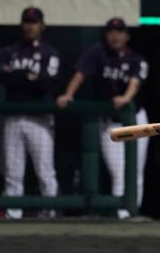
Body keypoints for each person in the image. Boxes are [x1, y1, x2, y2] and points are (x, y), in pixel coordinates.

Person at [57, 18, 149, 219]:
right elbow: (80, 74)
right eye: (111, 31)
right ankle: (121, 213)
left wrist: (125, 98)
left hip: (137, 119)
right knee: (118, 171)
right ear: (106, 34)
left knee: (136, 171)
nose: (115, 35)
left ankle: (131, 212)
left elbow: (135, 82)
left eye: (119, 31)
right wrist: (69, 94)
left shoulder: (136, 59)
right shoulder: (97, 53)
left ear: (127, 35)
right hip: (109, 122)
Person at [0, 7, 60, 219]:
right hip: (14, 117)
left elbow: (47, 83)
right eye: (27, 21)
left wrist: (19, 77)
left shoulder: (50, 52)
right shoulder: (10, 51)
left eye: (34, 22)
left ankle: (50, 212)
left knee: (45, 171)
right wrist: (28, 76)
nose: (30, 25)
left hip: (39, 118)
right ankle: (14, 214)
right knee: (13, 171)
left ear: (42, 25)